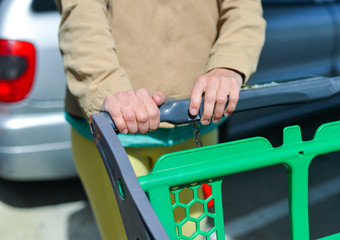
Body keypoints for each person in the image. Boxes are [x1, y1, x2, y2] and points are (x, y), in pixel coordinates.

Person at [56, 0, 266, 239]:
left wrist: (229, 65)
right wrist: (104, 84)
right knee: (125, 235)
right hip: (116, 126)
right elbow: (82, 16)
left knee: (191, 234)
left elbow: (242, 8)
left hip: (194, 119)